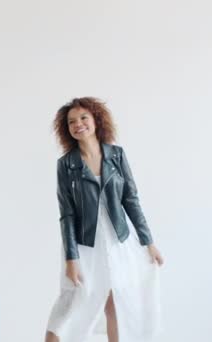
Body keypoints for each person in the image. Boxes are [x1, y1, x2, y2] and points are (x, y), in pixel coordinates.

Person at [45, 97, 163, 342]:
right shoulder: (66, 165)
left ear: (96, 120)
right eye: (71, 122)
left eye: (83, 118)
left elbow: (131, 200)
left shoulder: (116, 156)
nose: (78, 124)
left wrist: (148, 242)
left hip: (118, 240)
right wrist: (71, 258)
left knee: (116, 303)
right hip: (85, 244)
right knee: (71, 303)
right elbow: (66, 214)